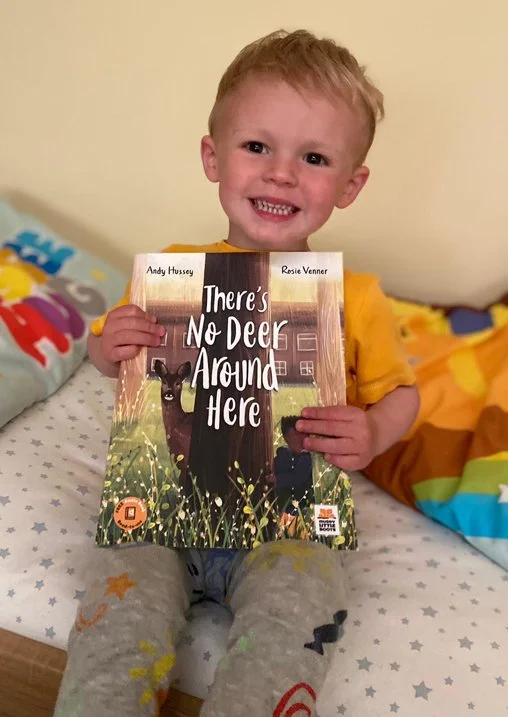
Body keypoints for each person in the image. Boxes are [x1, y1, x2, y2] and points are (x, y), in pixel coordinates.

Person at [55, 29, 419, 717]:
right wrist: (111, 346)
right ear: (211, 156)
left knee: (299, 613)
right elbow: (105, 352)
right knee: (115, 624)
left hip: (286, 526)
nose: (281, 174)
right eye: (257, 146)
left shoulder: (356, 296)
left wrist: (373, 428)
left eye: (314, 157)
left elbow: (406, 393)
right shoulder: (175, 268)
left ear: (350, 185)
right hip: (162, 512)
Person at [271, 415, 314, 516]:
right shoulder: (286, 455)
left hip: (303, 508)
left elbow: (298, 478)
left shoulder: (306, 457)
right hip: (286, 507)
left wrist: (276, 479)